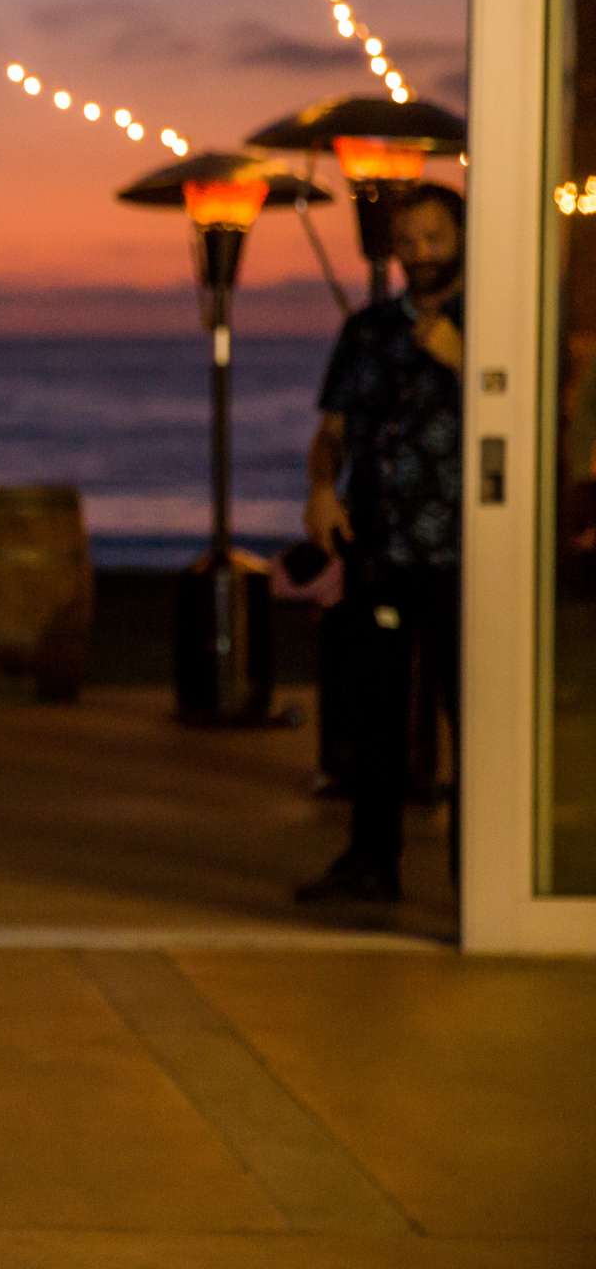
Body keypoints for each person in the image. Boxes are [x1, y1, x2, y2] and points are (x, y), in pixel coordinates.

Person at [298, 182, 466, 905]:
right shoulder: (366, 330)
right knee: (374, 708)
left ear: (461, 238)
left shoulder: (498, 325)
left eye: (434, 236)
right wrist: (321, 490)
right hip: (378, 544)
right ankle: (371, 860)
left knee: (473, 709)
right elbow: (331, 430)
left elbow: (533, 423)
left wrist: (465, 360)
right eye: (407, 239)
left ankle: (481, 873)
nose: (420, 252)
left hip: (468, 551)